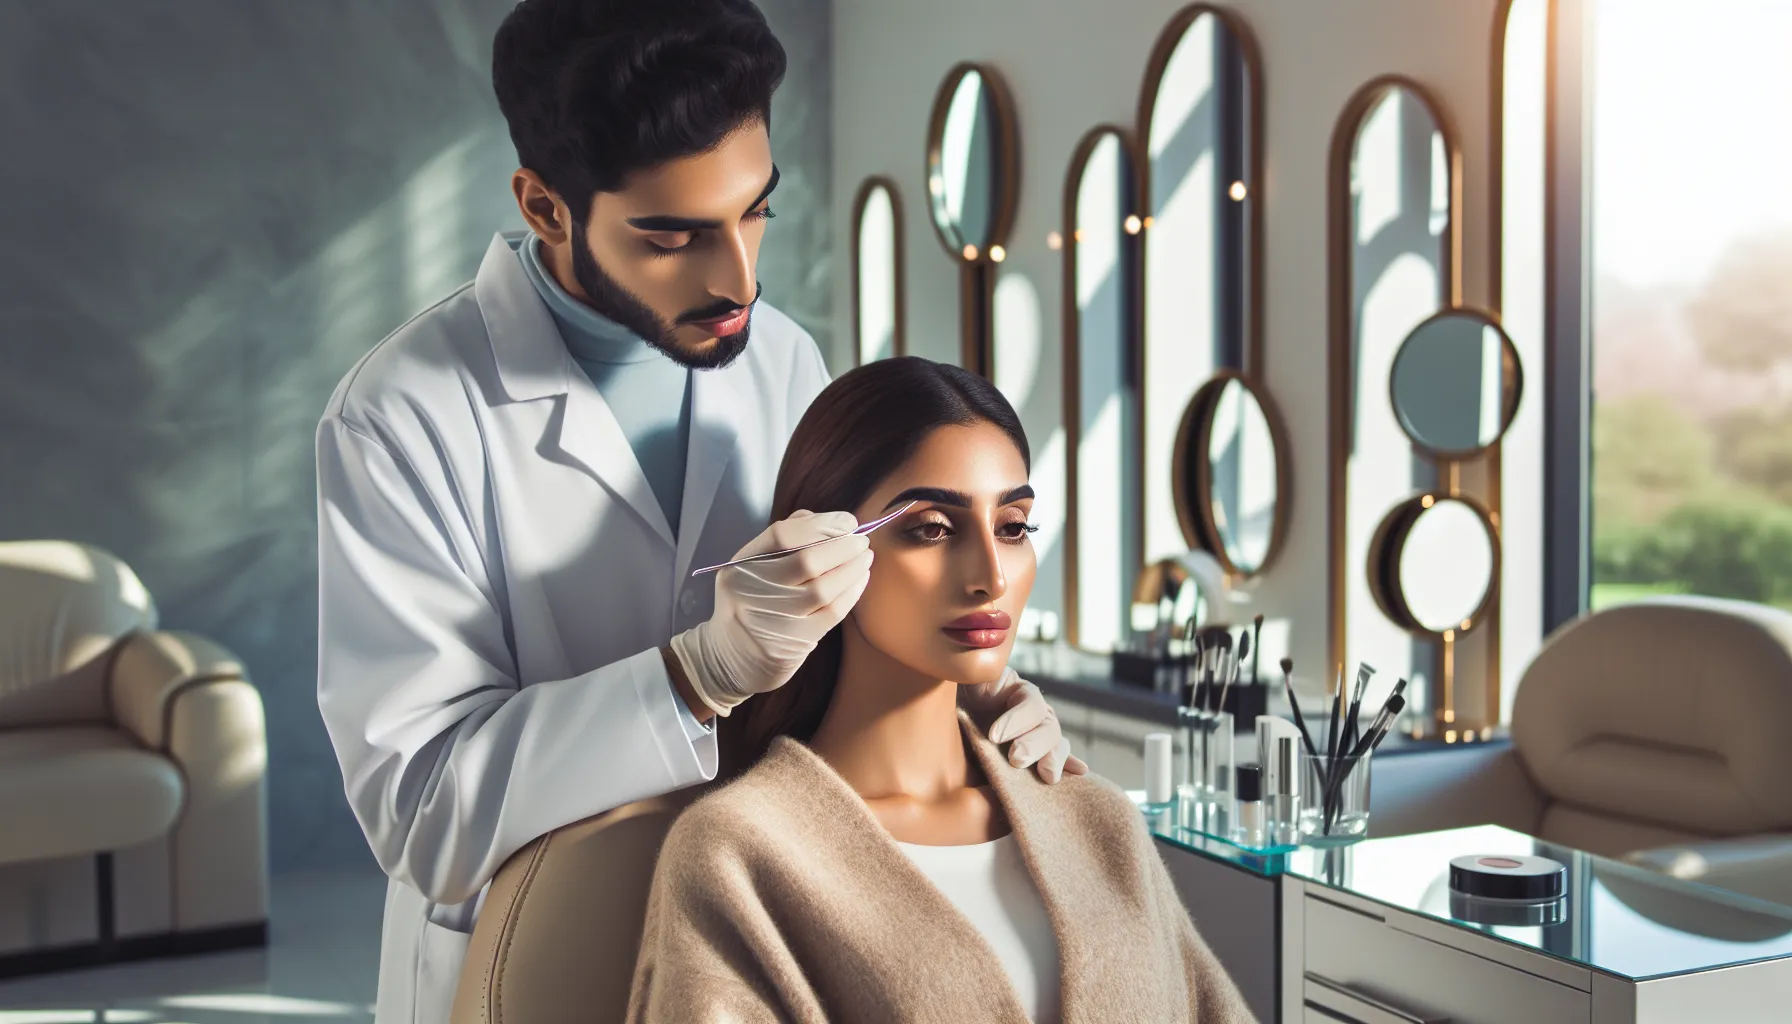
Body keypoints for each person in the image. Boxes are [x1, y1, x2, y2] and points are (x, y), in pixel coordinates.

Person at [313, 2, 1082, 1021]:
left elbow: (843, 625)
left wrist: (963, 699)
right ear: (546, 207)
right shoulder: (401, 414)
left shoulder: (782, 358)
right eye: (673, 236)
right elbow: (422, 817)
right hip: (532, 964)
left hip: (752, 943)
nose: (738, 279)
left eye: (756, 211)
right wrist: (693, 676)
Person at [627, 358, 1255, 1024]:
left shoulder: (1098, 819)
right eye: (931, 528)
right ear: (821, 550)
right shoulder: (738, 854)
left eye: (1013, 527)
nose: (991, 576)